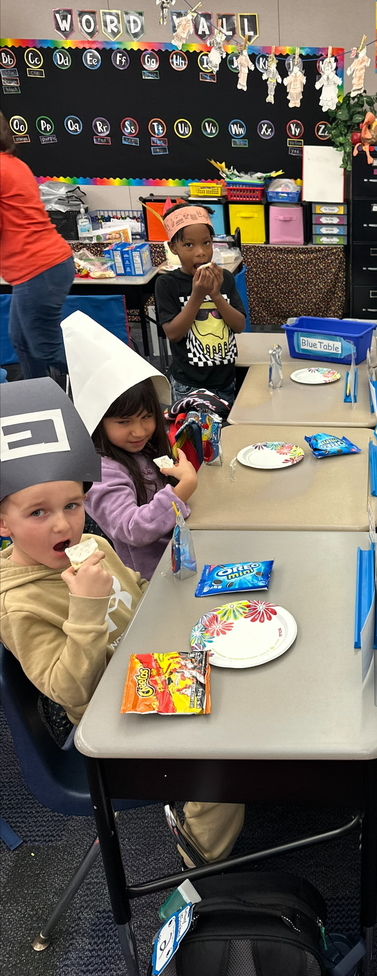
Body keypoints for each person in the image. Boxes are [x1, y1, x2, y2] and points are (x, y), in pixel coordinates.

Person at [0, 377, 244, 865]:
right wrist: (86, 608)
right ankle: (201, 854)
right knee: (222, 747)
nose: (63, 524)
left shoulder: (93, 545)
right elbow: (71, 691)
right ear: (3, 524)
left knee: (244, 674)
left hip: (148, 662)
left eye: (72, 506)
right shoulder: (19, 605)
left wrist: (186, 601)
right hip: (109, 714)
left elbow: (137, 594)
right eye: (38, 513)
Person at [62, 310, 197, 580]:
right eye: (124, 422)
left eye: (146, 417)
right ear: (98, 421)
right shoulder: (102, 471)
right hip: (153, 578)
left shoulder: (145, 448)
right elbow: (132, 528)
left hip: (182, 554)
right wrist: (182, 489)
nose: (139, 431)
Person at [0, 111, 75, 379]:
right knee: (21, 341)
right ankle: (40, 396)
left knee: (46, 348)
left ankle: (123, 392)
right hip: (44, 266)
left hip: (39, 268)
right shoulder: (13, 163)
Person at [154, 201, 246, 408]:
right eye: (189, 245)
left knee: (223, 425)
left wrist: (216, 295)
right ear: (173, 247)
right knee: (191, 428)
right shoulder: (167, 284)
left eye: (206, 243)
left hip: (225, 380)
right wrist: (197, 295)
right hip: (188, 384)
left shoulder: (224, 277)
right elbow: (173, 333)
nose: (201, 252)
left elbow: (239, 326)